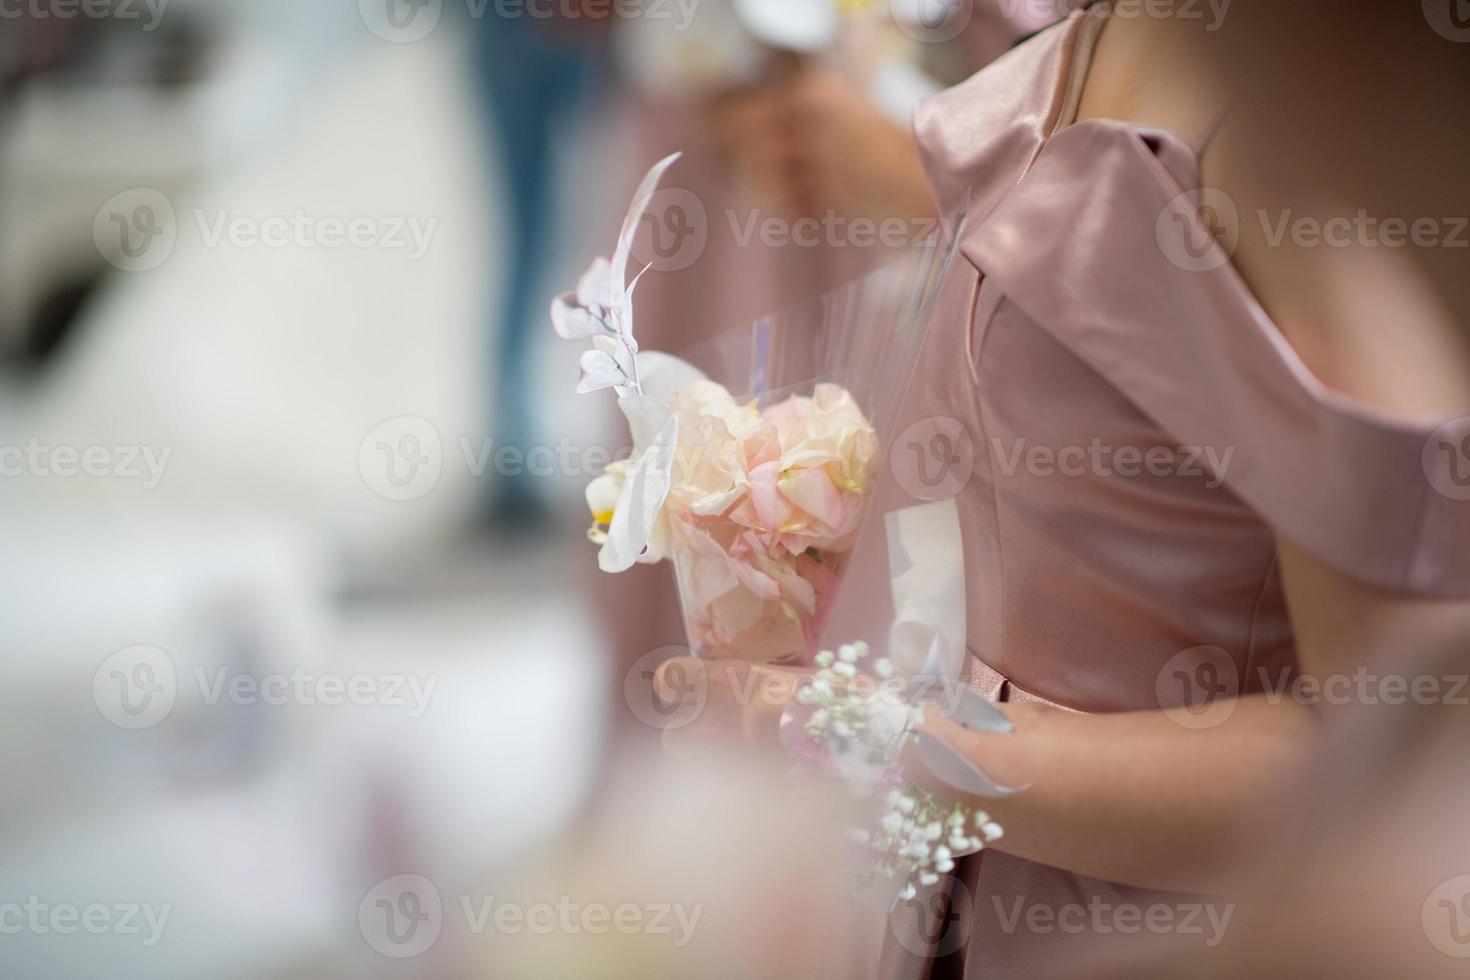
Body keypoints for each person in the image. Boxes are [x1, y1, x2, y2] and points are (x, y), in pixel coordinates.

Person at [655, 2, 1470, 976]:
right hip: (971, 890)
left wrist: (905, 748)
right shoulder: (1119, 31)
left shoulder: (1304, 139)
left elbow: (1374, 743)